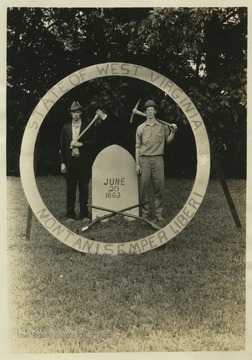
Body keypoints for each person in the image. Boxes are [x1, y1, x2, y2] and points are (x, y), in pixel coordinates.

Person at [135, 100, 178, 222]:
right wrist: (137, 164)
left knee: (159, 188)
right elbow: (137, 147)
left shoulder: (162, 126)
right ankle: (145, 214)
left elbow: (168, 141)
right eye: (147, 110)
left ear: (155, 112)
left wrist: (173, 132)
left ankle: (159, 213)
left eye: (152, 110)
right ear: (145, 112)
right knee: (143, 189)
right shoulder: (140, 128)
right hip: (144, 160)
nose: (150, 112)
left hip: (158, 160)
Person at [60, 101, 101, 222]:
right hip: (70, 162)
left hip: (83, 162)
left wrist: (80, 144)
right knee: (70, 190)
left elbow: (94, 142)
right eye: (73, 112)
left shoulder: (87, 126)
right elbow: (62, 147)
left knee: (84, 189)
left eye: (77, 112)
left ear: (81, 113)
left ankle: (84, 214)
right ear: (71, 114)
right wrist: (62, 162)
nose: (75, 114)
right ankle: (70, 215)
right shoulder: (65, 127)